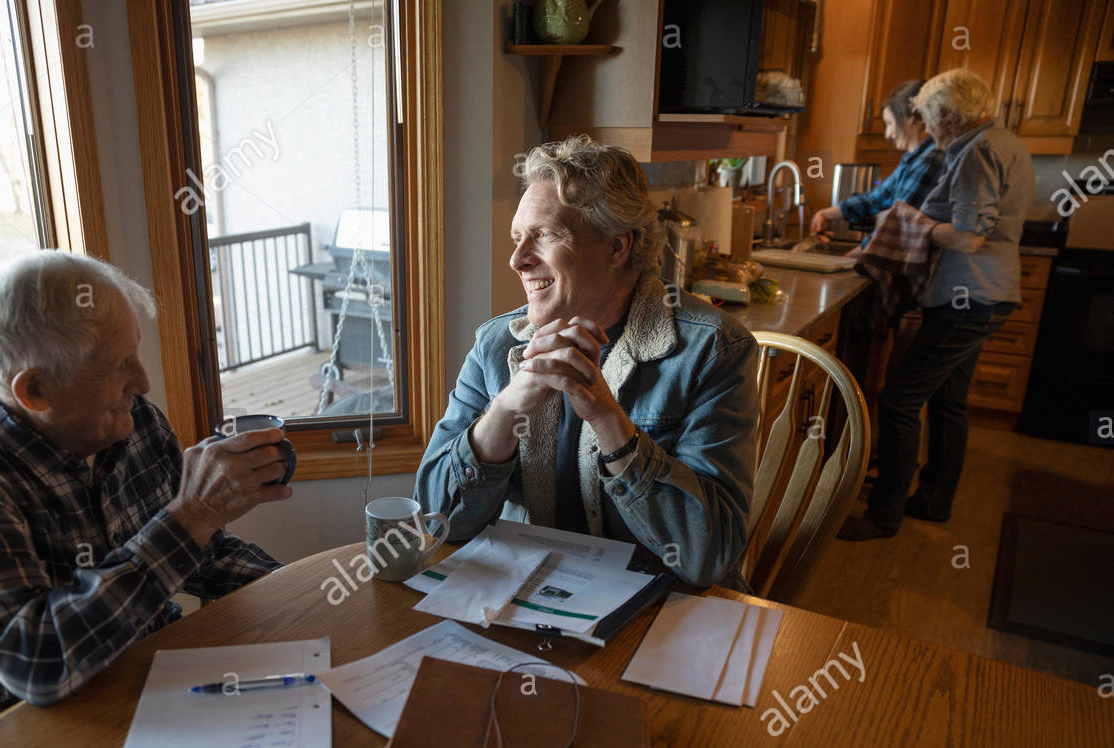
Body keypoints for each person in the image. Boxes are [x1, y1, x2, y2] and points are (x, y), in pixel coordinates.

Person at [0, 251, 292, 724]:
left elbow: (201, 556)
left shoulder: (130, 421)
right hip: (24, 732)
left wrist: (304, 596)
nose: (142, 382)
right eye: (119, 364)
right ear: (34, 391)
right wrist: (194, 516)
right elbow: (37, 664)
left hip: (153, 678)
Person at [414, 135, 759, 589]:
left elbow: (707, 556)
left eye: (545, 235)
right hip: (534, 600)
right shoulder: (497, 345)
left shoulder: (712, 350)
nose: (517, 260)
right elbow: (435, 523)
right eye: (518, 238)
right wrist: (506, 407)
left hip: (663, 611)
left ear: (617, 248)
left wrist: (606, 417)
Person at [838, 69, 1035, 541]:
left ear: (947, 113)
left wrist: (916, 227)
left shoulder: (977, 151)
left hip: (968, 298)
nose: (928, 128)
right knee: (949, 402)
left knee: (900, 401)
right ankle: (932, 502)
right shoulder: (1004, 141)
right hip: (991, 294)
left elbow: (967, 237)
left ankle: (884, 516)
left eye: (928, 117)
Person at [810, 79, 945, 255]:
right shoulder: (913, 158)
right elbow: (878, 197)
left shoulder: (930, 161)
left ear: (912, 120)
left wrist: (850, 257)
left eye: (889, 123)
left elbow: (897, 223)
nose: (888, 133)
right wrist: (828, 213)